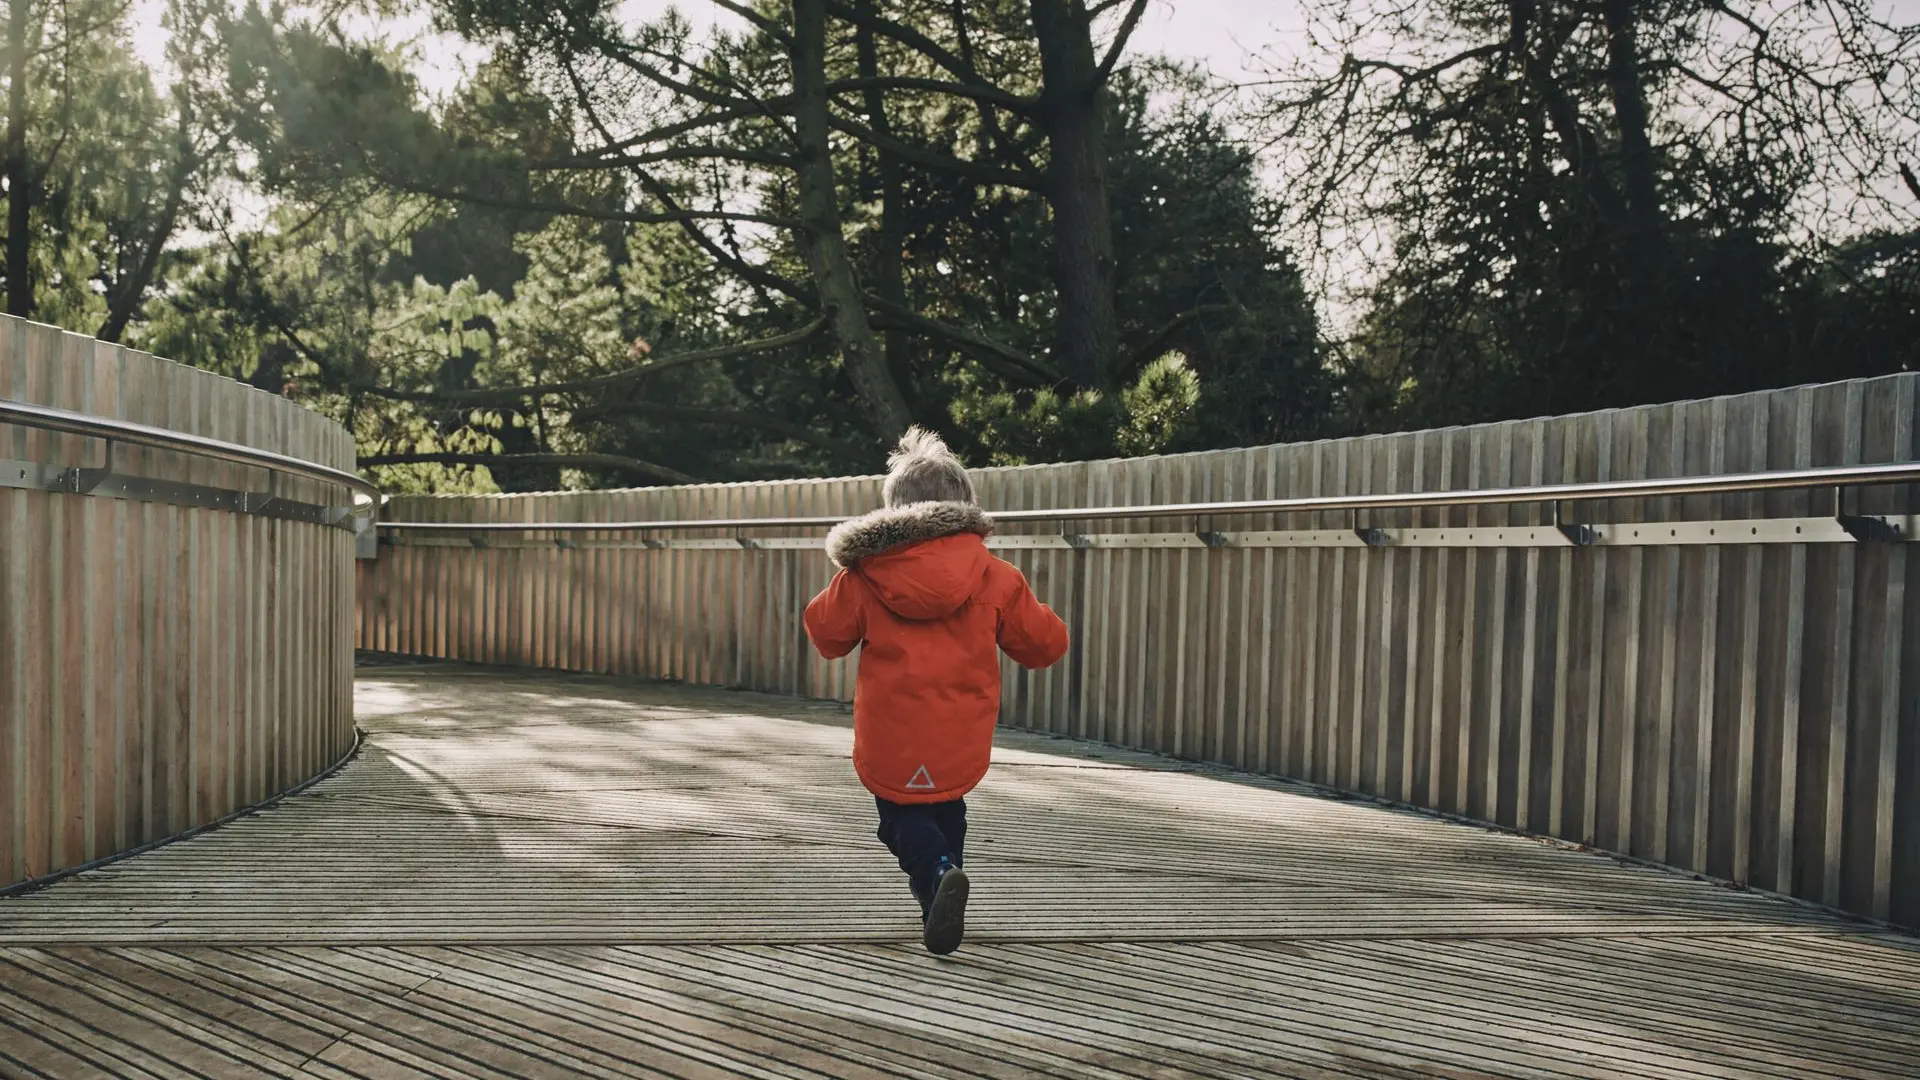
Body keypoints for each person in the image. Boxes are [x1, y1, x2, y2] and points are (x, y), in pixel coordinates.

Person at [803, 428, 1070, 955]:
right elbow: (1043, 645)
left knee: (900, 817)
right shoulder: (996, 577)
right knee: (948, 807)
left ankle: (939, 875)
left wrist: (845, 583)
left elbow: (826, 635)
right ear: (966, 505)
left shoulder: (865, 576)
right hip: (960, 727)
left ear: (891, 511)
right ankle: (942, 893)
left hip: (891, 729)